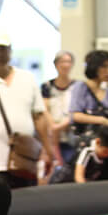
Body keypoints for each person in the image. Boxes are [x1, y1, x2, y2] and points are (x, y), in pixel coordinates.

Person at [0, 27, 58, 188]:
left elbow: (39, 117)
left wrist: (48, 151)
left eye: (3, 49)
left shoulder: (28, 78)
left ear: (10, 50)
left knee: (26, 202)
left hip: (26, 161)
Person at [70, 49, 108, 148]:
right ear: (94, 67)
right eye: (104, 66)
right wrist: (101, 120)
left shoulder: (107, 89)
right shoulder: (81, 87)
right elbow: (75, 115)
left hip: (104, 142)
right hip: (86, 141)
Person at [42, 50, 80, 179]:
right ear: (56, 64)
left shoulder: (77, 86)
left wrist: (62, 125)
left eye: (68, 62)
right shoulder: (47, 86)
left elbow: (78, 109)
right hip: (53, 137)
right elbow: (44, 108)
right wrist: (53, 126)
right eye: (62, 62)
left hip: (71, 134)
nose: (65, 65)